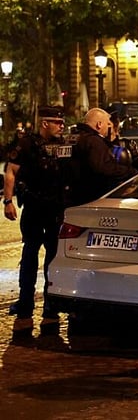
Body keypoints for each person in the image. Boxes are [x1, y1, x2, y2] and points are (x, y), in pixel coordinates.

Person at [4, 106, 70, 336]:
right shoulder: (26, 144)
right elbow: (11, 171)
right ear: (44, 123)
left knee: (53, 256)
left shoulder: (65, 145)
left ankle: (51, 306)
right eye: (57, 123)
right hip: (33, 206)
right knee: (30, 253)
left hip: (55, 208)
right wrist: (8, 201)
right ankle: (25, 304)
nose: (61, 126)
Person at [69, 107, 137, 206]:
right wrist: (130, 172)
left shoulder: (73, 138)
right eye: (107, 124)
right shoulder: (94, 141)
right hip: (91, 197)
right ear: (99, 124)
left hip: (73, 196)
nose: (109, 128)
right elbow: (104, 167)